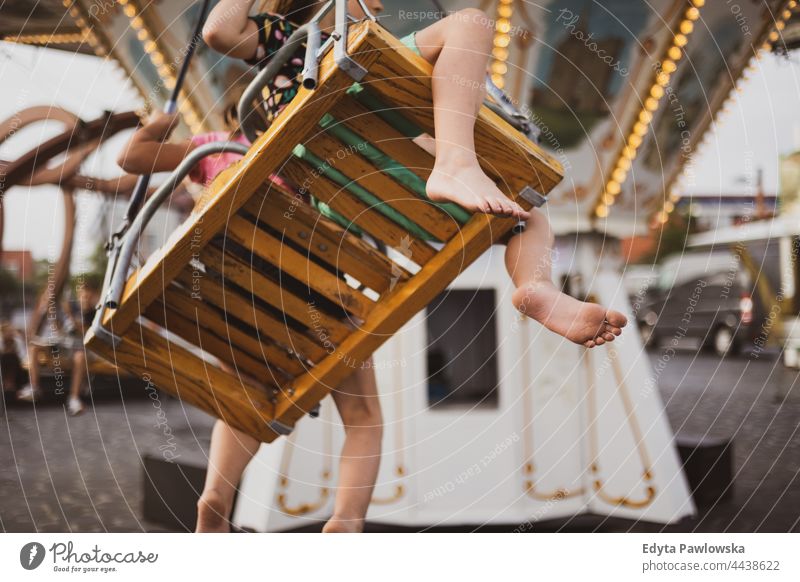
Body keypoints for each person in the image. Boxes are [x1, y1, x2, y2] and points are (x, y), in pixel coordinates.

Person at [202, 0, 628, 349]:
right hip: (340, 116)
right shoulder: (294, 44)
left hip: (354, 199)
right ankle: (456, 164)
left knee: (527, 214)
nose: (379, 5)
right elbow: (218, 32)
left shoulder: (344, 54)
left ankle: (539, 290)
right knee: (470, 25)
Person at [118, 85, 384, 534]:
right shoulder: (317, 156)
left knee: (245, 404)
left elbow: (132, 159)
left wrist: (158, 124)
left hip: (230, 301)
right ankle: (347, 518)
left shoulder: (214, 148)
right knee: (363, 417)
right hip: (312, 297)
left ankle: (216, 497)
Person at [17, 278, 101, 416]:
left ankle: (74, 399)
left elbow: (86, 332)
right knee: (34, 346)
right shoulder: (74, 308)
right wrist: (53, 315)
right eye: (81, 295)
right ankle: (34, 387)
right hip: (65, 346)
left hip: (81, 349)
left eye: (87, 296)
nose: (84, 299)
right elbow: (60, 330)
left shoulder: (93, 313)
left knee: (80, 356)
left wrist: (68, 315)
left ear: (93, 295)